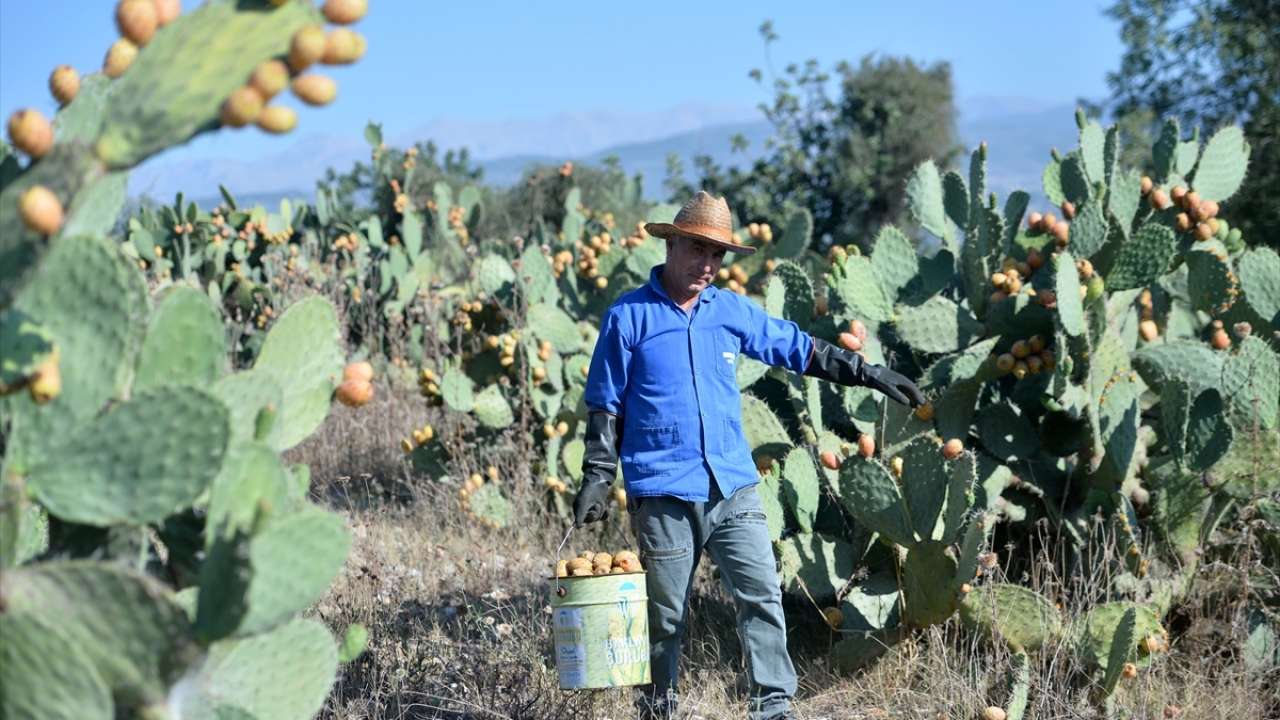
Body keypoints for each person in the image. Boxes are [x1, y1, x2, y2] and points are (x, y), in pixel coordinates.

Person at [574, 191, 924, 720]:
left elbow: (798, 347)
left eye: (717, 255)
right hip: (664, 491)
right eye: (698, 249)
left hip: (733, 483)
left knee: (762, 597)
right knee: (665, 617)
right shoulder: (629, 317)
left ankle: (774, 708)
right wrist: (598, 475)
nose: (708, 265)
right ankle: (657, 711)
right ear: (671, 242)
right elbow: (605, 402)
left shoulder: (730, 310)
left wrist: (867, 373)